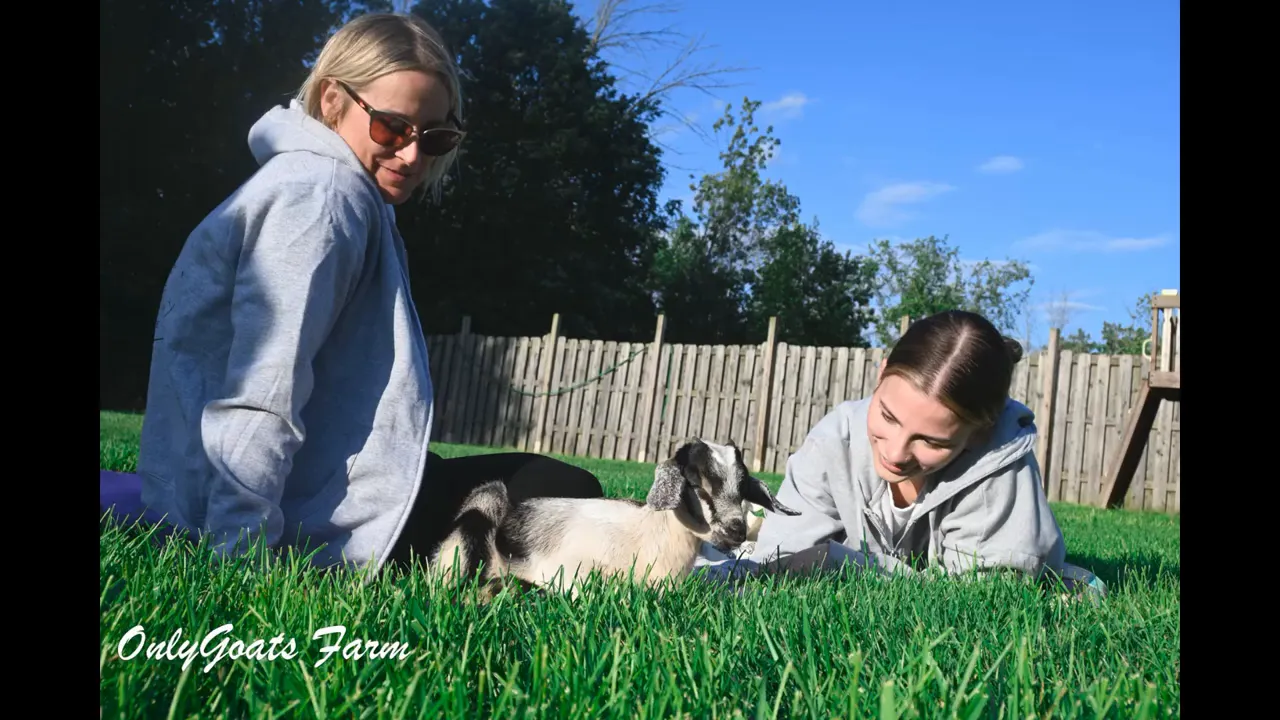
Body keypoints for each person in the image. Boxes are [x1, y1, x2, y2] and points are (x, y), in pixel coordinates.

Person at [99, 12, 605, 575]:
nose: (413, 156)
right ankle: (471, 559)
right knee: (562, 490)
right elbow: (264, 389)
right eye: (392, 127)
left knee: (540, 485)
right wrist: (237, 552)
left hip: (305, 479)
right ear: (332, 100)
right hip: (295, 513)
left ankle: (471, 547)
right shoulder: (321, 200)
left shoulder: (317, 185)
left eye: (435, 137)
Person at [695, 309, 1105, 599]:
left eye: (932, 441)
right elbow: (777, 562)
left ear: (978, 433)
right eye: (887, 416)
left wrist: (843, 564)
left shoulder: (997, 467)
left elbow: (986, 601)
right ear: (881, 372)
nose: (894, 452)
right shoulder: (835, 439)